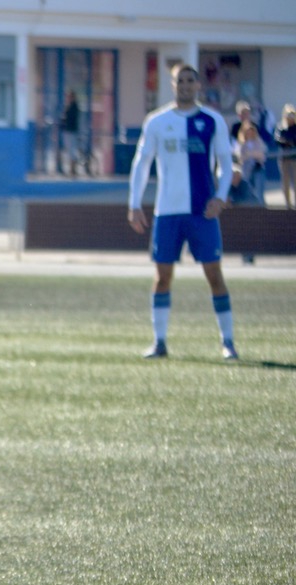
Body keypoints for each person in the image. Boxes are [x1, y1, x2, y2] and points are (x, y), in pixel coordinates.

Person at [128, 63, 238, 361]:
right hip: (167, 212)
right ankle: (159, 342)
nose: (186, 85)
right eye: (180, 81)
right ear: (172, 85)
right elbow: (141, 163)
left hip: (202, 212)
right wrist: (134, 204)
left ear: (198, 85)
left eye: (191, 80)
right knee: (162, 276)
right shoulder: (157, 121)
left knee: (214, 274)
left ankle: (228, 342)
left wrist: (220, 197)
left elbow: (227, 164)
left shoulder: (212, 120)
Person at [278, 104, 296, 210]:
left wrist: (290, 142)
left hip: (294, 159)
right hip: (284, 159)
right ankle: (288, 204)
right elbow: (278, 140)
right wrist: (287, 141)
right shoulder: (282, 128)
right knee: (285, 182)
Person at [59, 90, 81, 176]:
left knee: (72, 150)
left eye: (69, 96)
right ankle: (72, 169)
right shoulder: (71, 106)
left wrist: (64, 120)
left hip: (71, 131)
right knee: (70, 150)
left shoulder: (74, 107)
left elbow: (70, 119)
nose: (68, 98)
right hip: (70, 131)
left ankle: (73, 169)